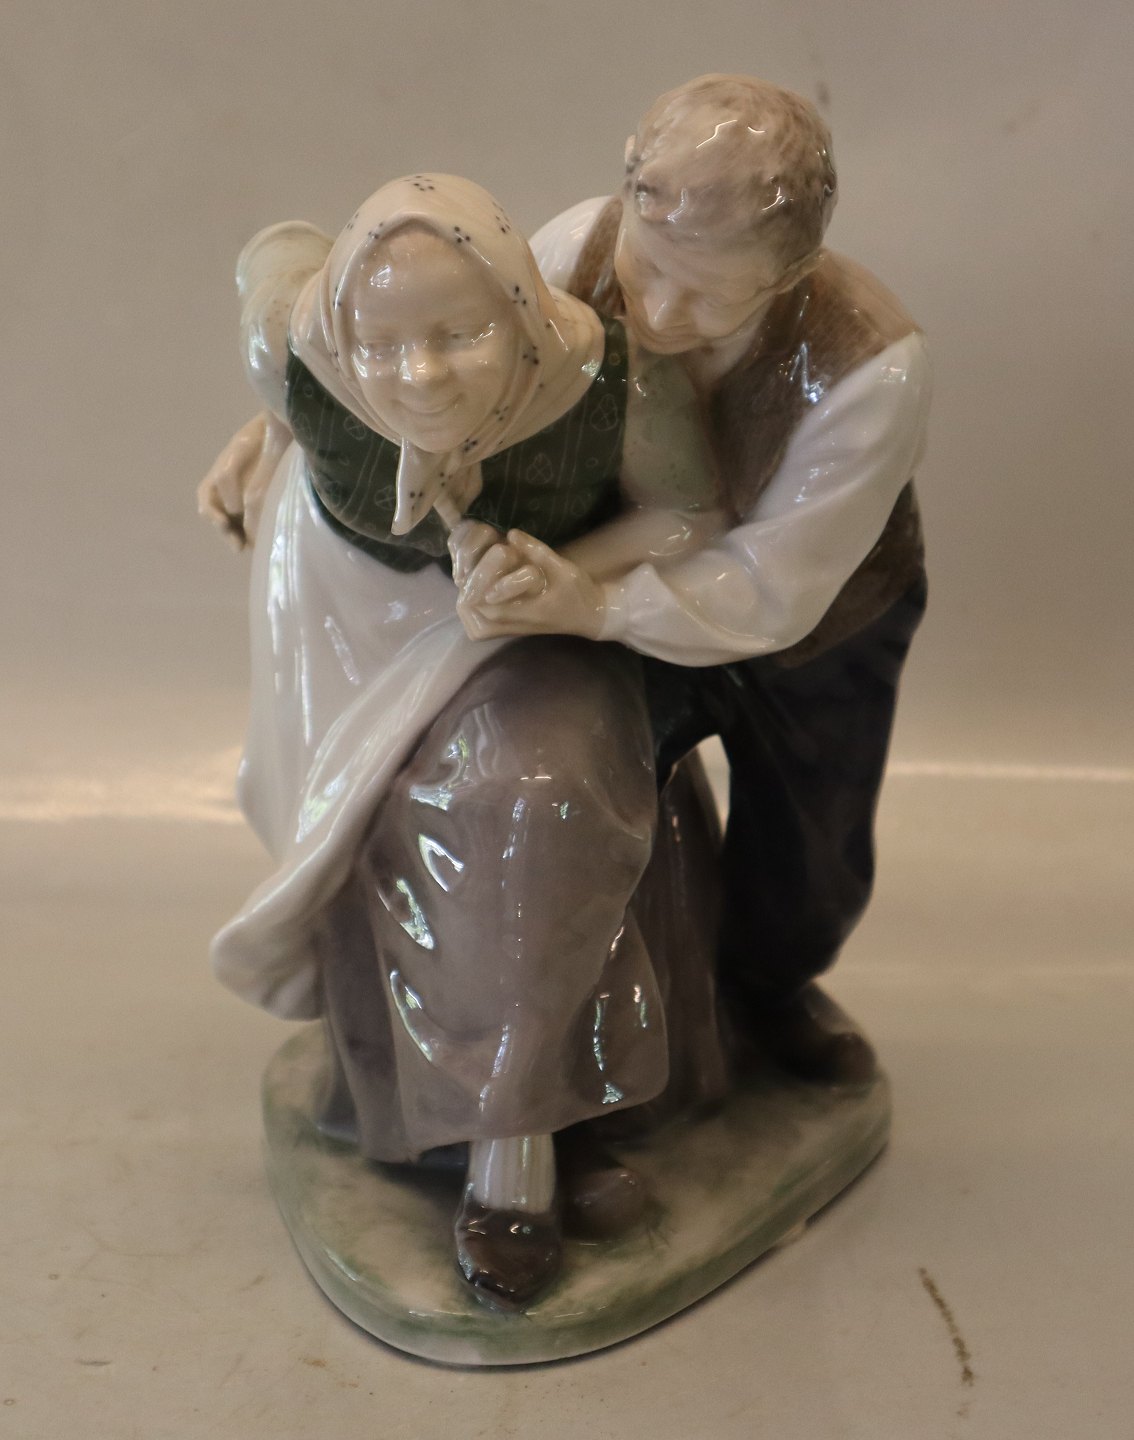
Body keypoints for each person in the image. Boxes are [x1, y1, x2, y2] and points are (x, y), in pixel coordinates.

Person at [199, 175, 729, 1309]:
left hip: (530, 620)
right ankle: (474, 1120)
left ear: (524, 308)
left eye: (460, 333)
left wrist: (564, 574)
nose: (422, 375)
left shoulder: (615, 380)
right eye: (383, 345)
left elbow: (694, 514)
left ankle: (515, 1153)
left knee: (534, 800)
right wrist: (264, 438)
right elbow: (276, 253)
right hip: (352, 609)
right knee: (375, 807)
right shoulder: (293, 345)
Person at [455, 75, 932, 1083]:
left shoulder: (870, 365)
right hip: (608, 575)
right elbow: (466, 388)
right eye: (650, 268)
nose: (663, 312)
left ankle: (767, 991)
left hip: (821, 622)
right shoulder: (571, 251)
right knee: (562, 786)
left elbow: (774, 582)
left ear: (791, 271)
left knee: (809, 846)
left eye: (713, 295)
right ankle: (586, 1037)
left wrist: (596, 604)